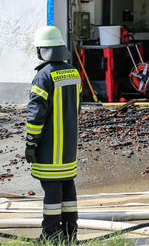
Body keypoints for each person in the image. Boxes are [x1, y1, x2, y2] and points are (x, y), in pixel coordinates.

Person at [25, 25, 82, 244]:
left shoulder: (43, 76)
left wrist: (31, 144)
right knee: (68, 191)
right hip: (68, 149)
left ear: (43, 50)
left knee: (51, 195)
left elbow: (36, 117)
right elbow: (75, 109)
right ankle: (70, 235)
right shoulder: (73, 72)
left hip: (49, 150)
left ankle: (50, 236)